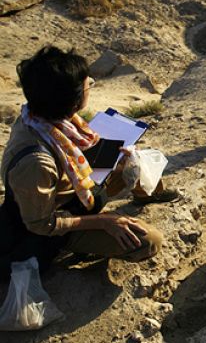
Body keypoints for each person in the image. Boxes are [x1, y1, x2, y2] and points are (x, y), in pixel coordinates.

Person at [0, 46, 175, 280]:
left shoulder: (40, 116)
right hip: (54, 222)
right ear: (73, 101)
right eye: (88, 85)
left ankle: (147, 193)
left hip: (72, 194)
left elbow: (69, 156)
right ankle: (76, 249)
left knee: (130, 159)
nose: (90, 87)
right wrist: (103, 222)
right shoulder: (36, 163)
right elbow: (41, 224)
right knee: (149, 242)